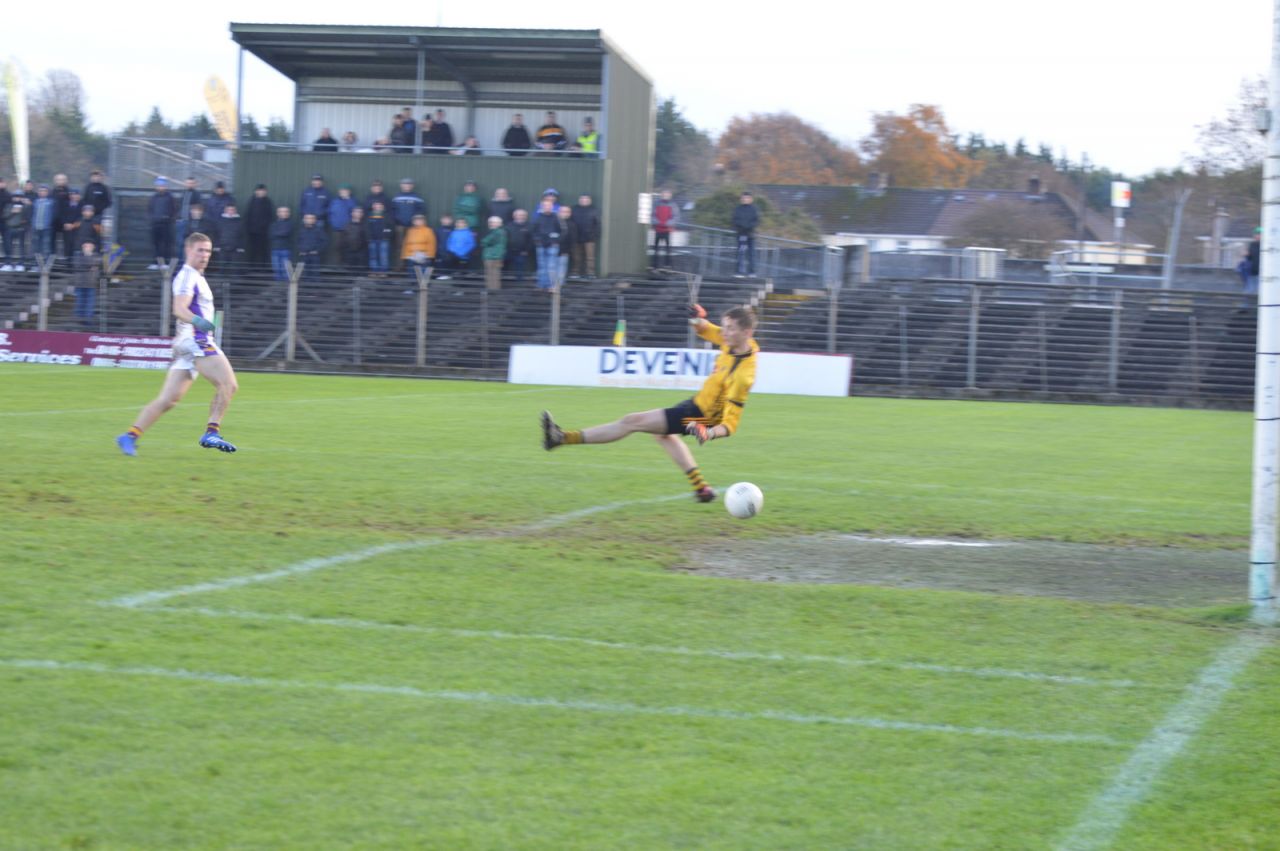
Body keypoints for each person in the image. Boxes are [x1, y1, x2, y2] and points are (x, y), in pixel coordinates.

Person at [541, 304, 760, 504]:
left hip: (702, 417)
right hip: (697, 404)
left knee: (631, 421)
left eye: (730, 328)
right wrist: (697, 318)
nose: (725, 332)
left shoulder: (742, 376)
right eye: (725, 327)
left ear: (747, 333)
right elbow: (706, 329)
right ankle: (701, 488)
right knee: (661, 433)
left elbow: (730, 425)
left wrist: (708, 432)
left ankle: (561, 438)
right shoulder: (732, 341)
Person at [116, 232, 239, 456]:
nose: (205, 255)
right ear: (188, 250)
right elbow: (179, 308)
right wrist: (198, 321)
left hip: (187, 342)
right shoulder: (187, 276)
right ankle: (211, 432)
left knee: (168, 400)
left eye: (208, 251)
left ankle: (130, 435)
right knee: (228, 385)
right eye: (200, 250)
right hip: (196, 339)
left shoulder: (197, 277)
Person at [391, 178, 426, 270]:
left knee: (413, 246)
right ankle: (399, 267)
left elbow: (421, 210)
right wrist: (396, 220)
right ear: (401, 185)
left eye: (409, 184)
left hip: (413, 227)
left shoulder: (417, 197)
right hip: (399, 226)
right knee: (399, 247)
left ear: (412, 186)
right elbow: (392, 210)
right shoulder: (396, 196)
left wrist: (414, 220)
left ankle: (411, 267)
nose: (407, 186)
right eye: (405, 184)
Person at [147, 177, 177, 270]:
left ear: (166, 186)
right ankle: (155, 263)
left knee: (165, 244)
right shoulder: (153, 198)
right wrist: (152, 219)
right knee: (155, 244)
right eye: (159, 186)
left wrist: (168, 218)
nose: (160, 187)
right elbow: (150, 210)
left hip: (166, 225)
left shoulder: (170, 197)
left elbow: (174, 210)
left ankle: (165, 263)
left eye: (162, 185)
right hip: (155, 224)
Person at [532, 197, 561, 290]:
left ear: (552, 207)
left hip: (552, 245)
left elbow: (561, 231)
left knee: (551, 266)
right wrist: (537, 240)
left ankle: (552, 285)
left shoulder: (556, 217)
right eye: (545, 205)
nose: (547, 207)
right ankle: (541, 285)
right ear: (542, 206)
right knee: (541, 266)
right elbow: (533, 231)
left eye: (549, 206)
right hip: (540, 245)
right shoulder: (538, 217)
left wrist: (555, 240)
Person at [401, 213, 437, 283]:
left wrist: (429, 256)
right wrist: (405, 255)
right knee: (411, 274)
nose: (418, 222)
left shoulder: (428, 230)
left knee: (423, 275)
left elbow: (432, 244)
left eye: (420, 220)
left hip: (423, 255)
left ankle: (423, 289)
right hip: (411, 255)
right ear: (413, 221)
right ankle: (411, 288)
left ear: (423, 221)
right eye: (416, 220)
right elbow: (405, 244)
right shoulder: (410, 231)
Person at [245, 184, 274, 268]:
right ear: (256, 191)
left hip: (265, 232)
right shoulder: (251, 201)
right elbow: (247, 215)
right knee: (253, 250)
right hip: (252, 232)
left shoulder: (268, 202)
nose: (261, 192)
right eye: (259, 190)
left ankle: (263, 268)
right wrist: (248, 228)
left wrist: (266, 227)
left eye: (263, 191)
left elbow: (270, 216)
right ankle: (252, 267)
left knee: (264, 250)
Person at [571, 194, 599, 279]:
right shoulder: (574, 209)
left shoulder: (594, 210)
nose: (584, 200)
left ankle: (590, 273)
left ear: (590, 200)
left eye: (586, 199)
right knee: (576, 256)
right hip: (576, 237)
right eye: (582, 199)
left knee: (590, 257)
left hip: (589, 237)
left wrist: (595, 235)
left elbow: (598, 224)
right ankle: (575, 272)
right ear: (579, 200)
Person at [732, 191, 759, 277]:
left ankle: (752, 272)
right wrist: (742, 227)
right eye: (743, 198)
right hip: (741, 235)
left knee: (751, 254)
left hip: (750, 235)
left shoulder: (754, 209)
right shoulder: (738, 209)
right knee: (741, 253)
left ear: (751, 199)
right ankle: (740, 272)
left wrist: (748, 227)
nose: (744, 199)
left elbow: (756, 221)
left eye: (746, 198)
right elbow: (735, 220)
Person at [73, 240, 98, 328]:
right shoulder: (78, 255)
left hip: (91, 283)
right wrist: (90, 266)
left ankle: (88, 319)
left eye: (90, 246)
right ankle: (79, 318)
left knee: (90, 302)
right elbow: (78, 265)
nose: (88, 247)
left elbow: (96, 265)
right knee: (80, 301)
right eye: (87, 246)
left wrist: (89, 264)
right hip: (80, 283)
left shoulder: (95, 256)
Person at [651, 189, 678, 268]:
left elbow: (676, 217)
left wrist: (667, 223)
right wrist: (657, 222)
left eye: (667, 194)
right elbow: (652, 215)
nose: (665, 196)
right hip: (658, 229)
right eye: (664, 194)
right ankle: (654, 265)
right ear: (661, 195)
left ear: (670, 195)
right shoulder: (656, 204)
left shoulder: (673, 205)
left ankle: (668, 265)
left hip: (667, 230)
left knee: (668, 249)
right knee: (656, 249)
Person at [504, 208, 533, 283]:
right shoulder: (508, 225)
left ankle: (519, 284)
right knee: (502, 266)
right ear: (514, 216)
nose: (521, 216)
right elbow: (504, 238)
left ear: (526, 216)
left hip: (521, 252)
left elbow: (531, 240)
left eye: (523, 215)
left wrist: (526, 250)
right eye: (519, 215)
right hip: (508, 251)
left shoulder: (529, 226)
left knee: (520, 270)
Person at [366, 200, 394, 274]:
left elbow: (390, 227)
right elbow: (367, 228)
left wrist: (386, 234)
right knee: (373, 257)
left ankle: (383, 272)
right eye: (376, 205)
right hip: (372, 240)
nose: (378, 207)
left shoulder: (387, 216)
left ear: (382, 207)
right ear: (373, 206)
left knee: (383, 257)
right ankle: (374, 272)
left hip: (384, 240)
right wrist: (369, 237)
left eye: (379, 205)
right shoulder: (369, 216)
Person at [554, 205, 577, 290]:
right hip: (552, 249)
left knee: (562, 267)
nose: (564, 213)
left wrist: (568, 250)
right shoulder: (554, 222)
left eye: (566, 212)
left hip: (564, 250)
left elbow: (573, 239)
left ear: (570, 213)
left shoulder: (572, 224)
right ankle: (553, 283)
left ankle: (560, 284)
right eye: (562, 211)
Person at [31, 185, 56, 259]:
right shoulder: (35, 202)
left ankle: (44, 264)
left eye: (44, 191)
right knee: (35, 246)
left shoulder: (51, 202)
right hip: (35, 227)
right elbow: (32, 213)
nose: (42, 192)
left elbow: (53, 214)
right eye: (40, 191)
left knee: (45, 247)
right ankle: (35, 264)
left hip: (46, 228)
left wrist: (50, 223)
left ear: (48, 192)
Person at [481, 215, 507, 290]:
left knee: (491, 276)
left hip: (491, 257)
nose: (491, 224)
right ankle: (494, 292)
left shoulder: (497, 232)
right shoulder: (502, 232)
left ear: (499, 224)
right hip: (497, 257)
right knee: (495, 275)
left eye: (493, 223)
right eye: (490, 223)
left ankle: (492, 292)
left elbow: (484, 242)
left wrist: (484, 241)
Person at [269, 206, 294, 281]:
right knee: (276, 269)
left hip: (285, 249)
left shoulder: (290, 223)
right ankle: (278, 285)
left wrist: (277, 233)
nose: (284, 213)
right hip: (275, 249)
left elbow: (285, 233)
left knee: (285, 269)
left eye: (286, 211)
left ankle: (286, 287)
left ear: (289, 213)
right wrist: (279, 233)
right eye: (282, 211)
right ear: (278, 213)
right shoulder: (273, 224)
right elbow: (270, 234)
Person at [344, 206, 369, 270]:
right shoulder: (347, 225)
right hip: (349, 252)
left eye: (360, 212)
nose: (358, 214)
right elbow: (344, 239)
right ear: (352, 213)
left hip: (361, 252)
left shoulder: (365, 225)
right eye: (356, 212)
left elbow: (367, 238)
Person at [1245, 227, 1262, 301]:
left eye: (1259, 234)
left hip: (1262, 273)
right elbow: (1249, 258)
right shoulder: (1252, 244)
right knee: (1249, 290)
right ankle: (1244, 307)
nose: (1257, 236)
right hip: (1252, 271)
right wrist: (1247, 255)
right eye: (1256, 234)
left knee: (1260, 291)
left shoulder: (1267, 245)